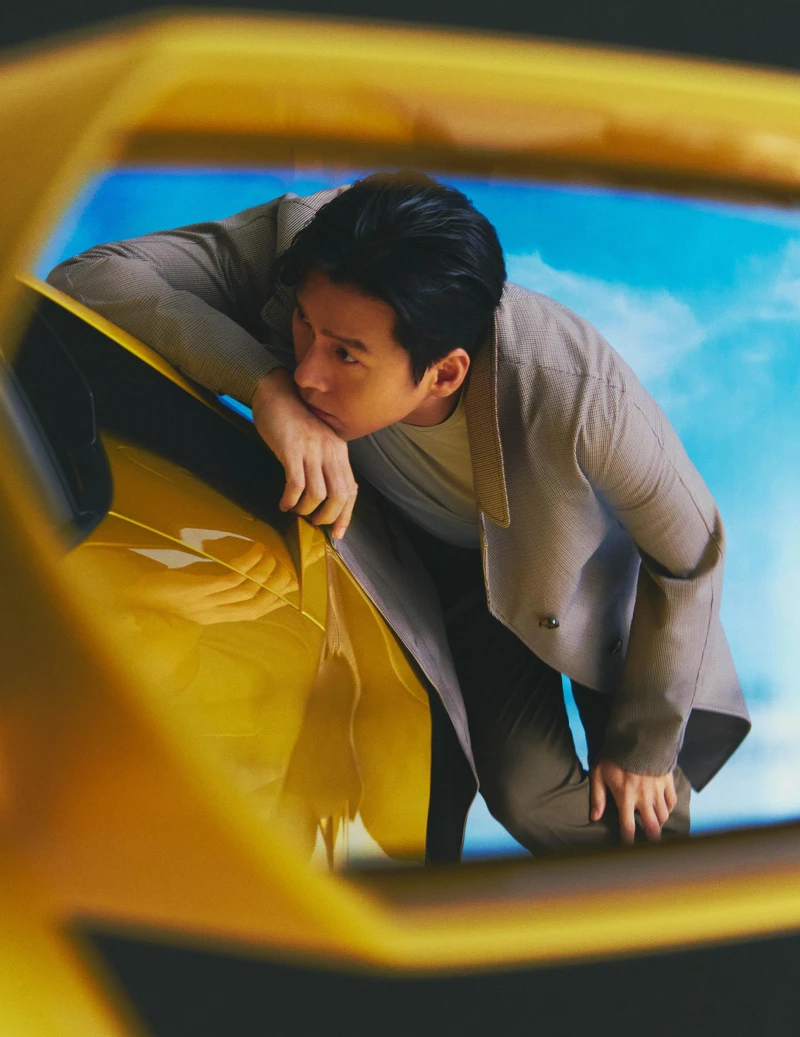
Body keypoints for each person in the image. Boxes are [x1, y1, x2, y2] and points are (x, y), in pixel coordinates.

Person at [47, 170, 751, 861]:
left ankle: (676, 905)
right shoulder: (306, 243)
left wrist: (645, 747)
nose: (309, 370)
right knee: (526, 794)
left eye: (346, 355)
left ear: (444, 372)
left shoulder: (580, 395)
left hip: (587, 583)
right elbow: (90, 277)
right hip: (445, 576)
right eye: (303, 324)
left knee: (639, 798)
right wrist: (264, 386)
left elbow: (691, 553)